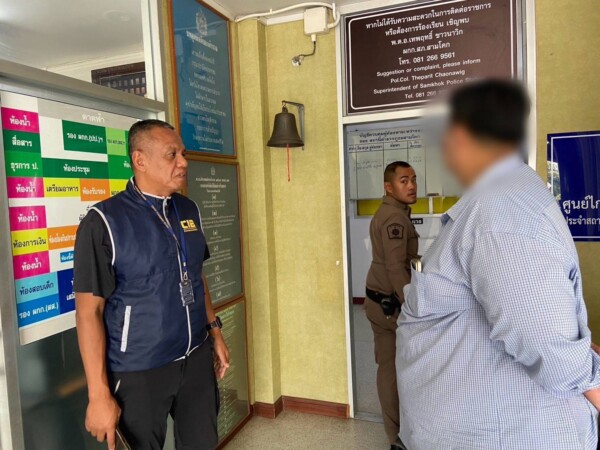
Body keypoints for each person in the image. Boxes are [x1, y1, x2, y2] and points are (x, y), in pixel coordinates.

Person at [396, 79, 600, 449]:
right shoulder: (505, 199)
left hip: (501, 434)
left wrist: (586, 371)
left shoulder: (500, 212)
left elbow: (546, 346)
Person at [74, 119, 229, 450]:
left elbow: (196, 274)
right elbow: (89, 312)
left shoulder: (188, 209)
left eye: (183, 154)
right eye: (172, 154)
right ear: (140, 160)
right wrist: (98, 394)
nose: (183, 162)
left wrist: (214, 331)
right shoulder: (104, 221)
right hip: (139, 370)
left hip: (195, 358)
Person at [365, 161, 418, 450]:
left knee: (388, 366)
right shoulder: (394, 218)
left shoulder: (392, 212)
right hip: (390, 305)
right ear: (389, 187)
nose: (411, 186)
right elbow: (396, 268)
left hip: (381, 300)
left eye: (413, 179)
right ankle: (396, 437)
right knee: (391, 369)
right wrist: (413, 306)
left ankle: (395, 434)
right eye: (403, 181)